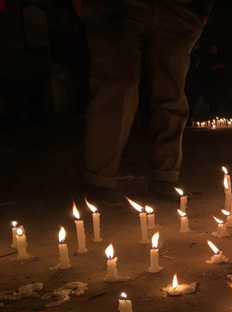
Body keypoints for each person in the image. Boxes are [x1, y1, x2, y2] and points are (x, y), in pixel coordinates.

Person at [79, 0, 213, 206]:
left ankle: (165, 176)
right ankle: (100, 181)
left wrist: (204, 8)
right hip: (117, 7)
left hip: (180, 9)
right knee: (116, 89)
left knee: (171, 94)